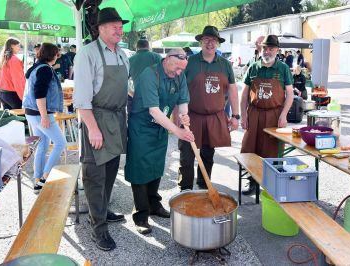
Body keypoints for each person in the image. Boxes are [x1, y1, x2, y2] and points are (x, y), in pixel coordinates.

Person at [73, 7, 130, 251]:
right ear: (101, 29)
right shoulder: (87, 54)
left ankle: (103, 211)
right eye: (114, 25)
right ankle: (99, 228)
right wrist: (94, 130)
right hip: (95, 119)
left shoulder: (122, 54)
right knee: (94, 176)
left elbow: (125, 88)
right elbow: (81, 100)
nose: (120, 29)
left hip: (117, 119)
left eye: (121, 25)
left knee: (110, 171)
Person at [125, 48, 194, 234]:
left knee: (156, 167)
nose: (179, 73)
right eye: (177, 69)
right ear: (167, 59)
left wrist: (184, 116)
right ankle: (140, 215)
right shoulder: (150, 75)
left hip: (161, 128)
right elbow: (153, 111)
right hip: (142, 128)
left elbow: (182, 100)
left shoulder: (179, 75)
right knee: (140, 170)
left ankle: (154, 204)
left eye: (182, 70)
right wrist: (178, 131)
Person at [178, 25, 239, 191]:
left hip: (214, 117)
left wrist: (236, 116)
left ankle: (204, 185)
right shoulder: (189, 62)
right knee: (187, 156)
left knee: (208, 154)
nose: (210, 43)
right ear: (201, 42)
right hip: (191, 116)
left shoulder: (225, 65)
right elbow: (178, 88)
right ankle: (185, 190)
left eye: (213, 40)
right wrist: (177, 115)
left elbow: (233, 90)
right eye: (206, 39)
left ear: (218, 43)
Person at [240, 35, 294, 195]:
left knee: (272, 150)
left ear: (277, 50)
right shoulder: (253, 67)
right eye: (265, 48)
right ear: (261, 49)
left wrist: (284, 115)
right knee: (251, 148)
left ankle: (272, 185)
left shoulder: (283, 68)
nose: (267, 51)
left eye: (271, 48)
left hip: (274, 114)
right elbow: (244, 95)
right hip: (254, 113)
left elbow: (290, 94)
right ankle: (252, 183)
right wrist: (243, 116)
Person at [22, 43, 67, 194]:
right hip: (40, 113)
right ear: (51, 54)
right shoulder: (45, 70)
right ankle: (44, 178)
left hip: (31, 112)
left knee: (43, 144)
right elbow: (39, 94)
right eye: (57, 53)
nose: (57, 56)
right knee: (61, 143)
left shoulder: (37, 67)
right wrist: (44, 116)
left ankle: (37, 180)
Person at [128, 39, 162, 113]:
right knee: (156, 121)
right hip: (157, 96)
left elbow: (123, 80)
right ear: (148, 46)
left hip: (138, 98)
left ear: (137, 47)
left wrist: (132, 93)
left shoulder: (130, 60)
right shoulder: (157, 57)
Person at [0, 37, 25, 109]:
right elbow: (18, 80)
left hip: (3, 93)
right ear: (12, 46)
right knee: (21, 119)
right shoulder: (14, 60)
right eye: (18, 46)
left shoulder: (2, 59)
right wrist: (23, 97)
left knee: (9, 119)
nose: (19, 48)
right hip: (13, 94)